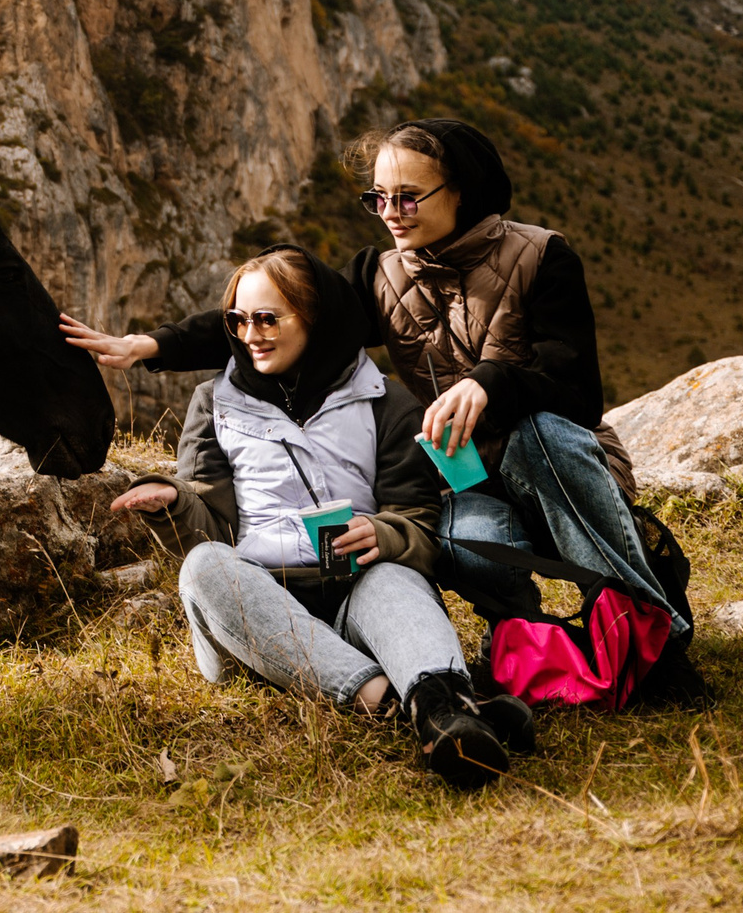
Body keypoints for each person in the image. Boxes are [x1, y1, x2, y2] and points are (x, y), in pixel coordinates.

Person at [66, 117, 699, 693]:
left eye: (407, 196)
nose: (389, 213)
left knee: (542, 438)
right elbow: (290, 312)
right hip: (466, 476)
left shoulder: (540, 256)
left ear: (463, 188)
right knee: (465, 544)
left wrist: (489, 382)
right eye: (378, 198)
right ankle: (529, 646)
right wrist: (152, 344)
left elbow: (575, 384)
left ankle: (656, 636)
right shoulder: (380, 275)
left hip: (552, 461)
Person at [110, 246, 528, 788]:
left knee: (396, 577)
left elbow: (420, 526)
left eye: (267, 318)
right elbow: (213, 528)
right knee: (203, 567)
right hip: (258, 629)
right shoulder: (211, 403)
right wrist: (173, 503)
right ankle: (398, 703)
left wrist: (383, 533)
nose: (249, 334)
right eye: (237, 320)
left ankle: (438, 708)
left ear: (315, 318)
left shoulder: (388, 403)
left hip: (357, 595)